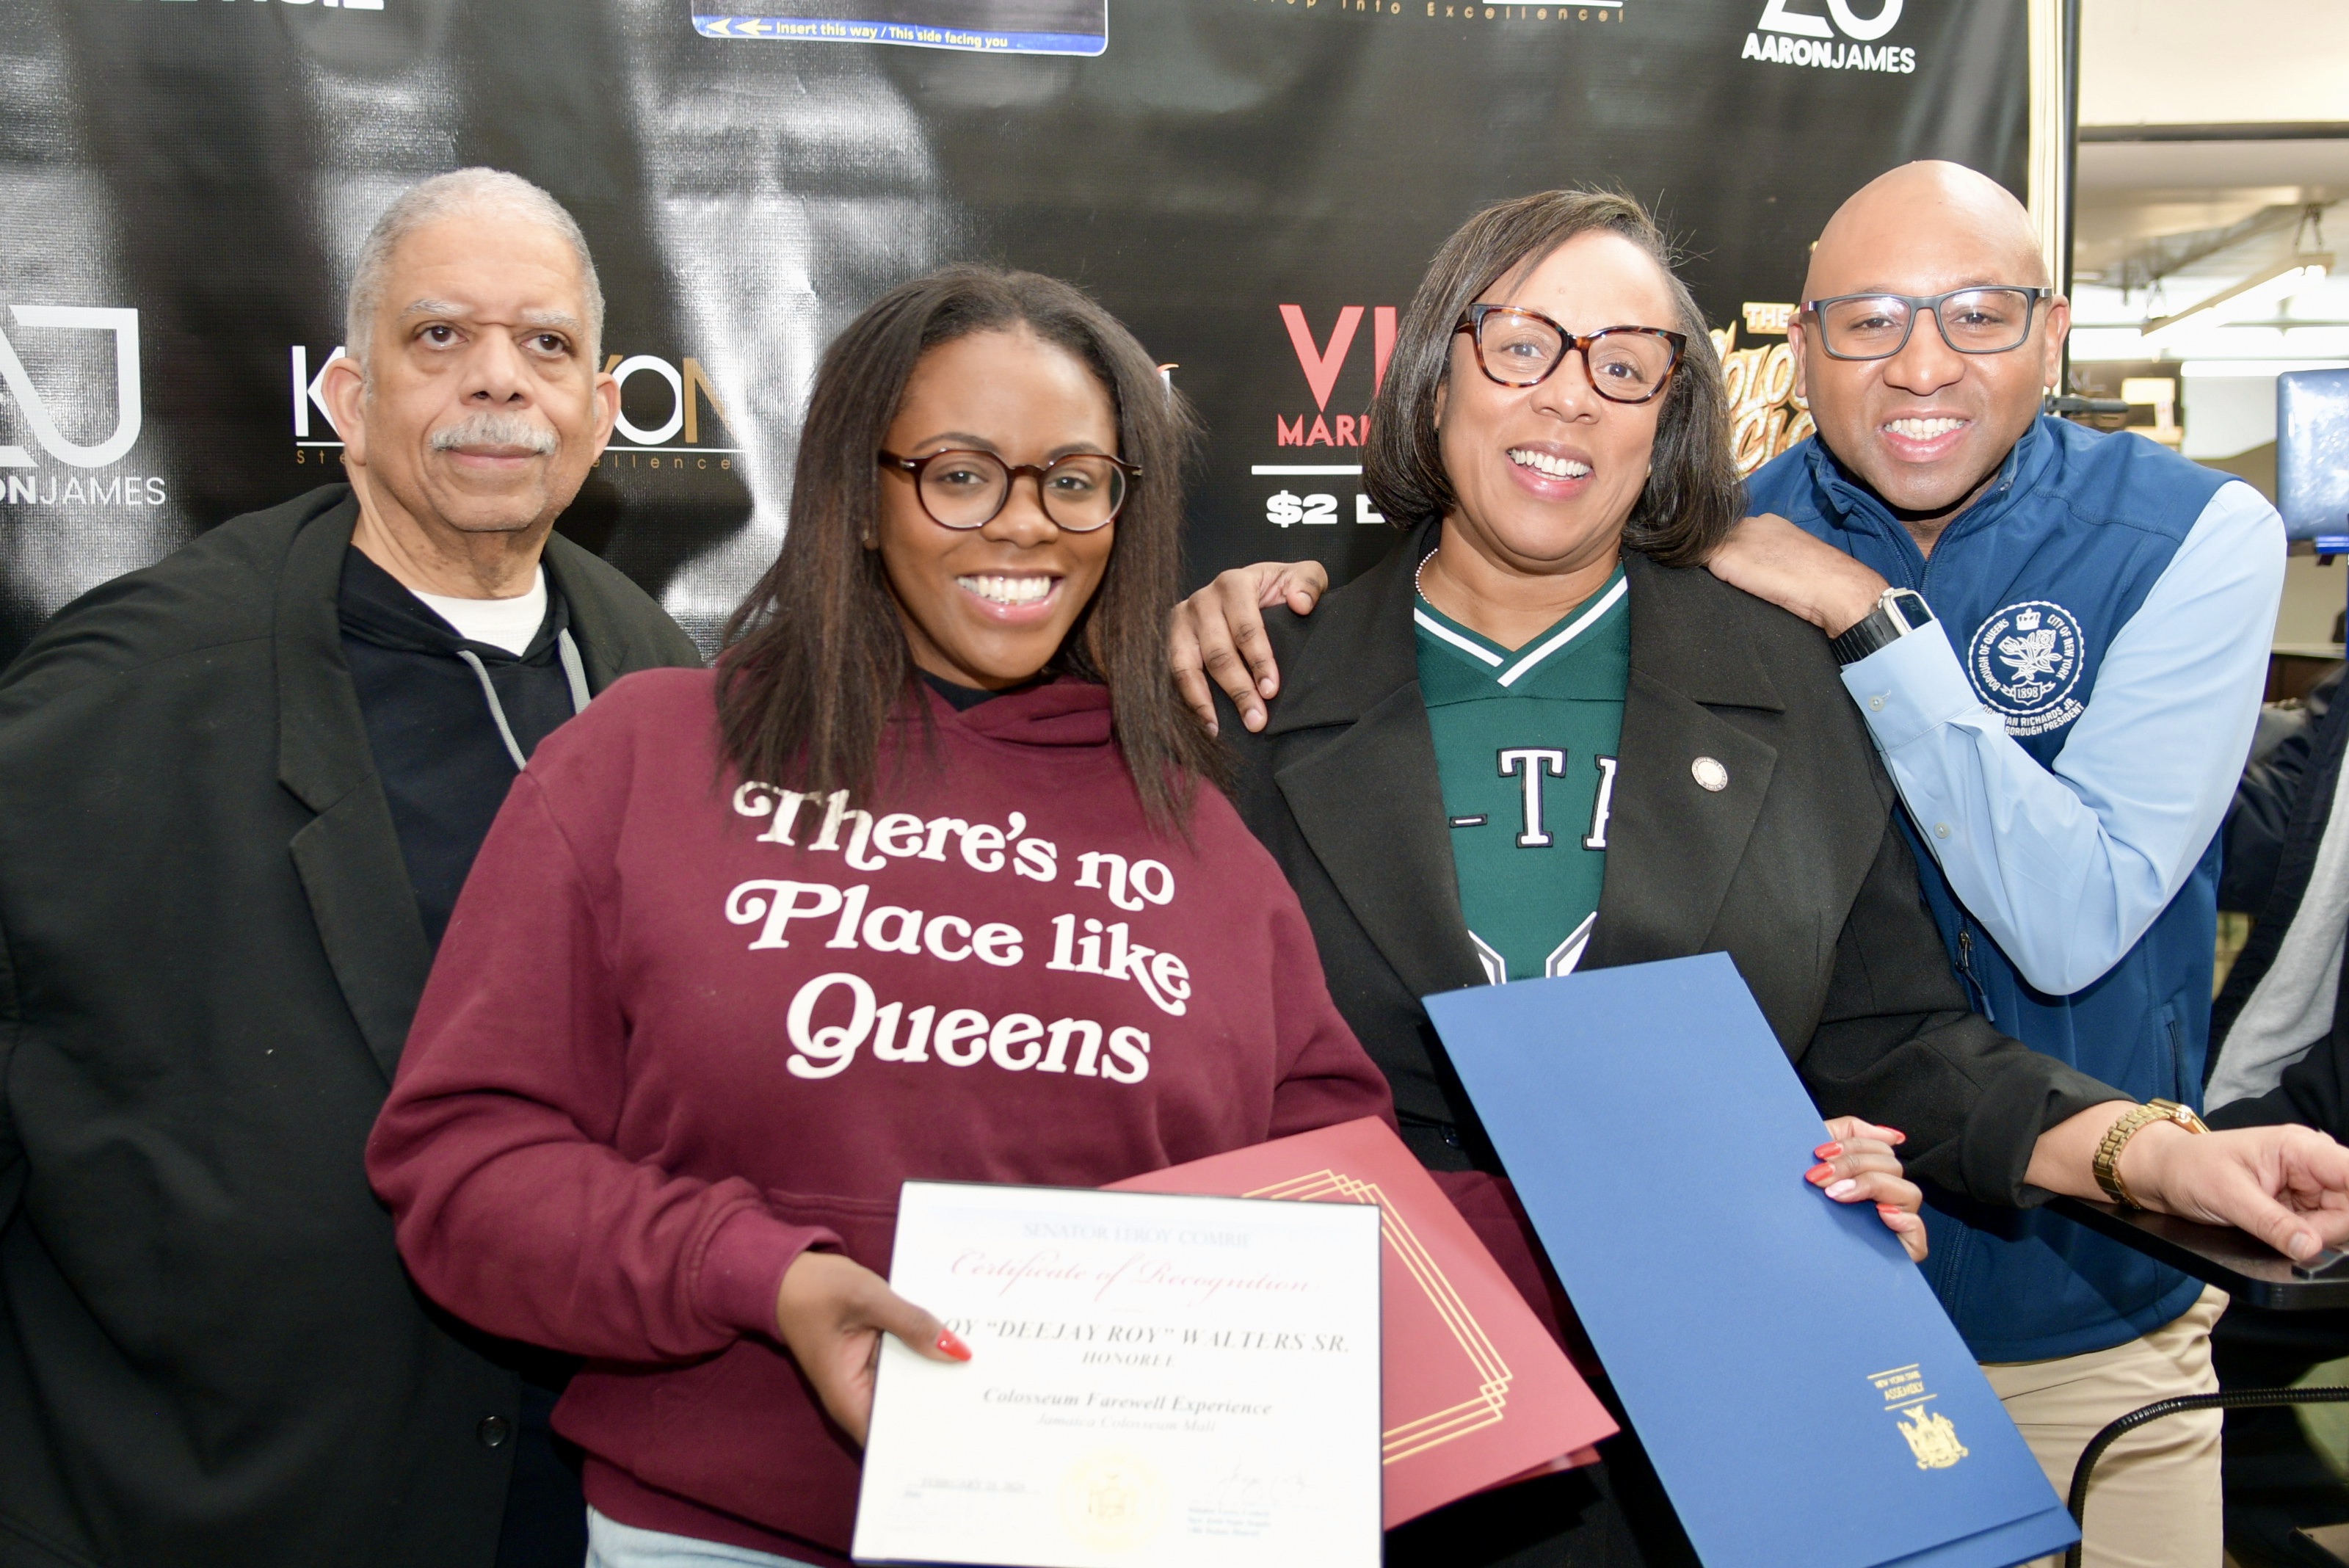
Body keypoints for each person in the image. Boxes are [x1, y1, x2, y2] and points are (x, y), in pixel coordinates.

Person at [1172, 185, 2349, 1567]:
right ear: (1437, 371)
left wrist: (2152, 1155)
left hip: (1725, 1423)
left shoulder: (1790, 677)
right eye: (1524, 347)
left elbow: (1891, 1036)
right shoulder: (1245, 689)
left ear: (1670, 418)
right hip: (1366, 1406)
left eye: (1625, 364)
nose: (1569, 401)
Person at [363, 266, 1401, 1568]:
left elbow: (1336, 1201)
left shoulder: (1203, 841)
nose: (1025, 526)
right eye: (961, 473)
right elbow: (467, 1171)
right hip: (721, 1540)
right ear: (863, 497)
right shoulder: (644, 757)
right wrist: (763, 1276)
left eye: (1075, 480)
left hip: (1121, 1534)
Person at [0, 169, 700, 1568]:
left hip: (586, 1501)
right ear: (342, 395)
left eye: (545, 344)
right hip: (226, 1500)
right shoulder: (128, 692)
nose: (497, 381)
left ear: (606, 404)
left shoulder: (680, 694)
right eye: (438, 338)